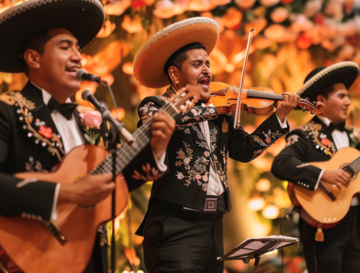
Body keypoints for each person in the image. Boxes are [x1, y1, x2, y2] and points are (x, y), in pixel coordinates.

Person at [0, 1, 175, 272]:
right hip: (32, 253)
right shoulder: (8, 110)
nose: (77, 56)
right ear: (33, 58)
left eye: (77, 48)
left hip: (91, 254)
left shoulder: (95, 120)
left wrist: (156, 150)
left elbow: (117, 182)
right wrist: (65, 192)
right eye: (64, 46)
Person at [132, 17, 300, 273]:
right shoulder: (154, 105)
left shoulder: (218, 109)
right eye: (197, 63)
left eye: (208, 63)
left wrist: (279, 118)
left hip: (214, 224)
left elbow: (244, 150)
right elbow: (163, 124)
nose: (207, 70)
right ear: (175, 74)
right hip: (175, 225)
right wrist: (207, 106)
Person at [271, 61, 360, 273]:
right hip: (323, 224)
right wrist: (323, 175)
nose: (348, 102)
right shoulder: (305, 136)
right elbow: (281, 164)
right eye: (341, 96)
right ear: (320, 101)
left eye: (348, 96)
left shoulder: (355, 137)